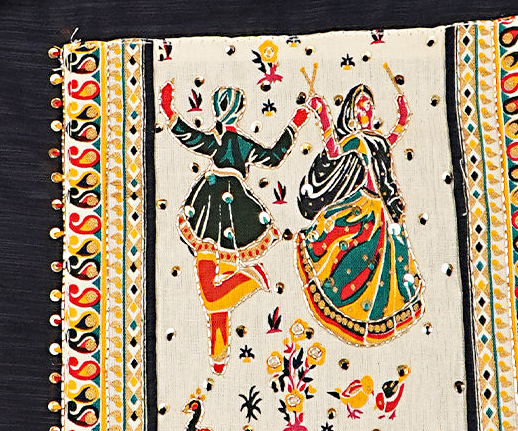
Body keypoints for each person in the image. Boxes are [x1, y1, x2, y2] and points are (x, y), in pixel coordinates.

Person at [161, 79, 309, 372]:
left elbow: (189, 137)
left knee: (209, 286)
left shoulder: (220, 140)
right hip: (232, 211)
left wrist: (169, 112)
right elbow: (273, 156)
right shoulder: (239, 142)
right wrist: (294, 124)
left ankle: (249, 282)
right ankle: (221, 350)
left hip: (211, 207)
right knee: (213, 291)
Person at [296, 70, 424, 345]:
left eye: (369, 106)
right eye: (361, 106)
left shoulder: (377, 139)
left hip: (383, 209)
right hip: (360, 208)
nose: (367, 110)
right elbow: (333, 151)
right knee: (354, 262)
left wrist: (402, 116)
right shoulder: (353, 140)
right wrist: (323, 114)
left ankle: (382, 315)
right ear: (352, 112)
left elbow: (391, 140)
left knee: (388, 268)